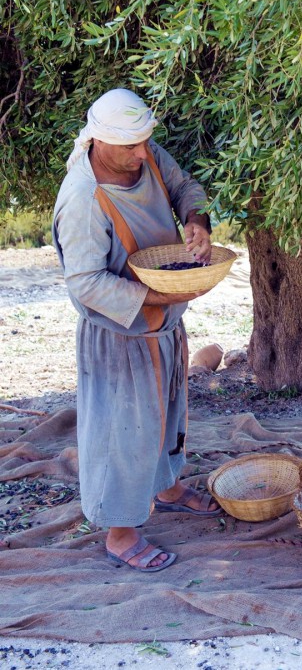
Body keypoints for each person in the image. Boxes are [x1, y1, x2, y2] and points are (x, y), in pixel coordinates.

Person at [53, 88, 221, 572]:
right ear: (100, 140)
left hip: (162, 323)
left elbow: (185, 185)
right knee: (123, 434)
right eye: (132, 146)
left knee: (167, 414)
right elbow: (85, 282)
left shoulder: (139, 151)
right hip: (119, 336)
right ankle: (121, 533)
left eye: (146, 143)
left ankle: (167, 487)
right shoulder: (84, 200)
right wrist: (158, 296)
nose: (143, 154)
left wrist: (197, 221)